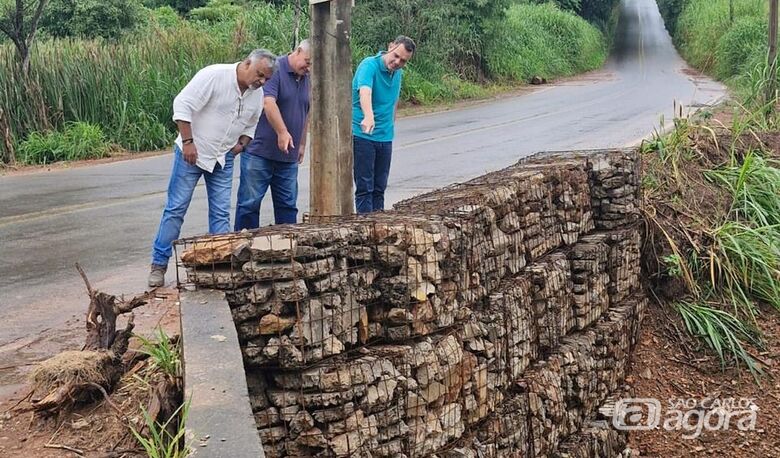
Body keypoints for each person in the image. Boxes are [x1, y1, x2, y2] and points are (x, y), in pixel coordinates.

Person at [148, 49, 277, 288]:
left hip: (222, 158)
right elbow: (182, 104)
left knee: (220, 214)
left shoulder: (255, 94)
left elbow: (252, 122)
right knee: (176, 209)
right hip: (192, 153)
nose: (261, 82)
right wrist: (188, 142)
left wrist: (240, 145)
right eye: (259, 75)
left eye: (266, 79)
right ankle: (158, 265)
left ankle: (218, 270)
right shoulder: (215, 76)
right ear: (247, 63)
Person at [235, 40, 312, 230]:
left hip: (288, 157)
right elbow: (268, 102)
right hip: (259, 152)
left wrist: (302, 142)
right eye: (307, 62)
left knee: (287, 207)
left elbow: (306, 110)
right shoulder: (274, 70)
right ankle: (245, 248)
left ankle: (286, 249)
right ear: (298, 51)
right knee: (249, 205)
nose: (309, 68)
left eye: (312, 65)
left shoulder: (306, 78)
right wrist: (282, 132)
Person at [352, 35, 415, 213]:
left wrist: (391, 124)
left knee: (380, 187)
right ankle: (365, 227)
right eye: (396, 56)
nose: (397, 62)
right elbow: (365, 92)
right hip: (363, 134)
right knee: (365, 187)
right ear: (390, 46)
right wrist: (369, 116)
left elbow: (393, 101)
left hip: (385, 136)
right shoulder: (368, 65)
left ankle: (378, 226)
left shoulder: (398, 73)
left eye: (403, 61)